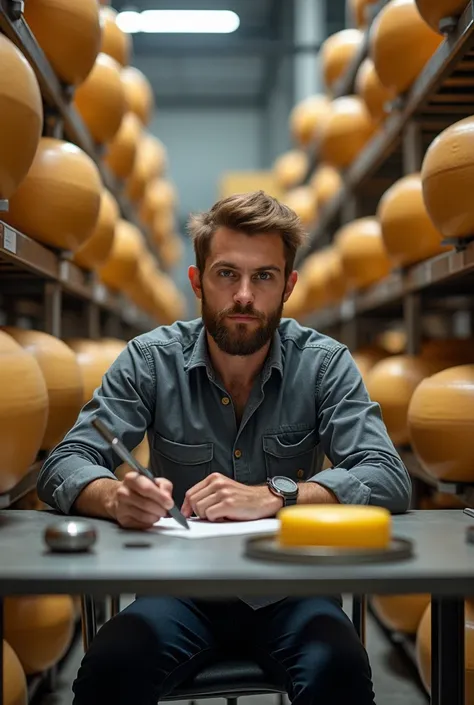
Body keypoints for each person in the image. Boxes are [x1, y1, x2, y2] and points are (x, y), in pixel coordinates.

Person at [38, 190, 411, 705]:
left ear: (288, 286)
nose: (243, 296)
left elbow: (387, 474)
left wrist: (280, 495)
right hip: (181, 591)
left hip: (293, 588)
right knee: (109, 671)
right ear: (197, 281)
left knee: (340, 672)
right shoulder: (150, 360)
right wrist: (113, 498)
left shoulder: (324, 364)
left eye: (263, 277)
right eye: (226, 274)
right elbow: (64, 462)